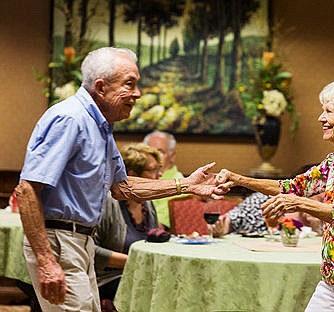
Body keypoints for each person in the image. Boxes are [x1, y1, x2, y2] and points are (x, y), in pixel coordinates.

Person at [14, 47, 224, 311]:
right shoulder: (70, 119)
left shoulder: (100, 126)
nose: (137, 93)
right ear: (101, 87)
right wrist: (46, 260)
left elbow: (123, 187)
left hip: (80, 242)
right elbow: (26, 190)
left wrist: (187, 185)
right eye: (130, 84)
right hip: (59, 240)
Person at [217, 79, 334, 312]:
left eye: (329, 112)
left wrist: (299, 203)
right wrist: (239, 180)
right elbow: (290, 187)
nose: (321, 118)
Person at [94, 143, 164, 310]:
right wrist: (135, 262)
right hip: (108, 278)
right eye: (153, 170)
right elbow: (90, 250)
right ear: (132, 175)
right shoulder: (106, 203)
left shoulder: (147, 203)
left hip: (142, 274)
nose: (160, 174)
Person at [143, 130, 185, 230]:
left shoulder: (180, 184)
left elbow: (159, 226)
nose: (154, 156)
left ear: (172, 156)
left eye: (160, 151)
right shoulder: (137, 179)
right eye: (150, 151)